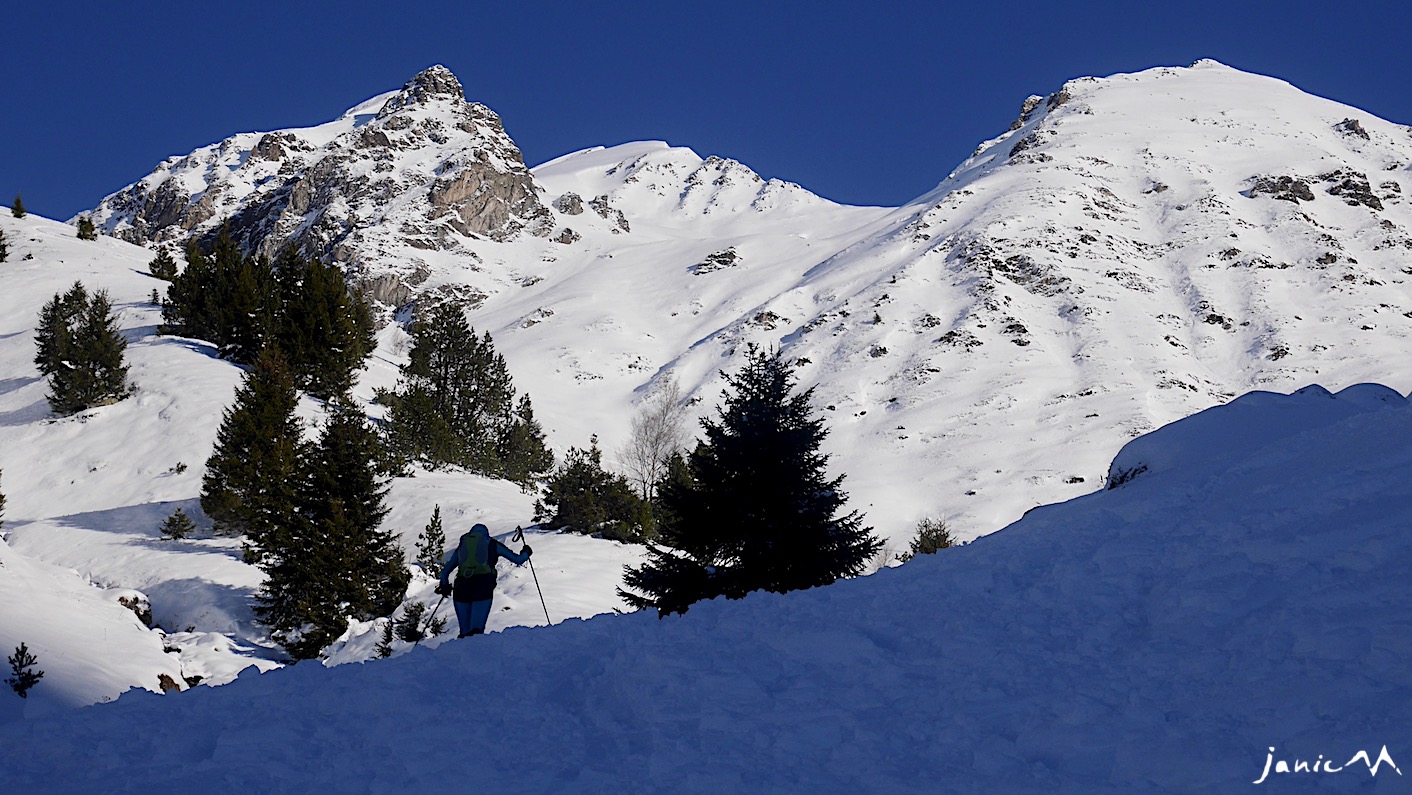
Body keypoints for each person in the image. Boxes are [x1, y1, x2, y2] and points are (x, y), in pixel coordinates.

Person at [436, 523, 532, 638]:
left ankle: (461, 653)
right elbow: (518, 559)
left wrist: (445, 585)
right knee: (476, 631)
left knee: (464, 632)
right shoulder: (493, 544)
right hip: (483, 587)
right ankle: (474, 653)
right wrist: (526, 552)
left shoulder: (462, 546)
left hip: (461, 588)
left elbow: (445, 572)